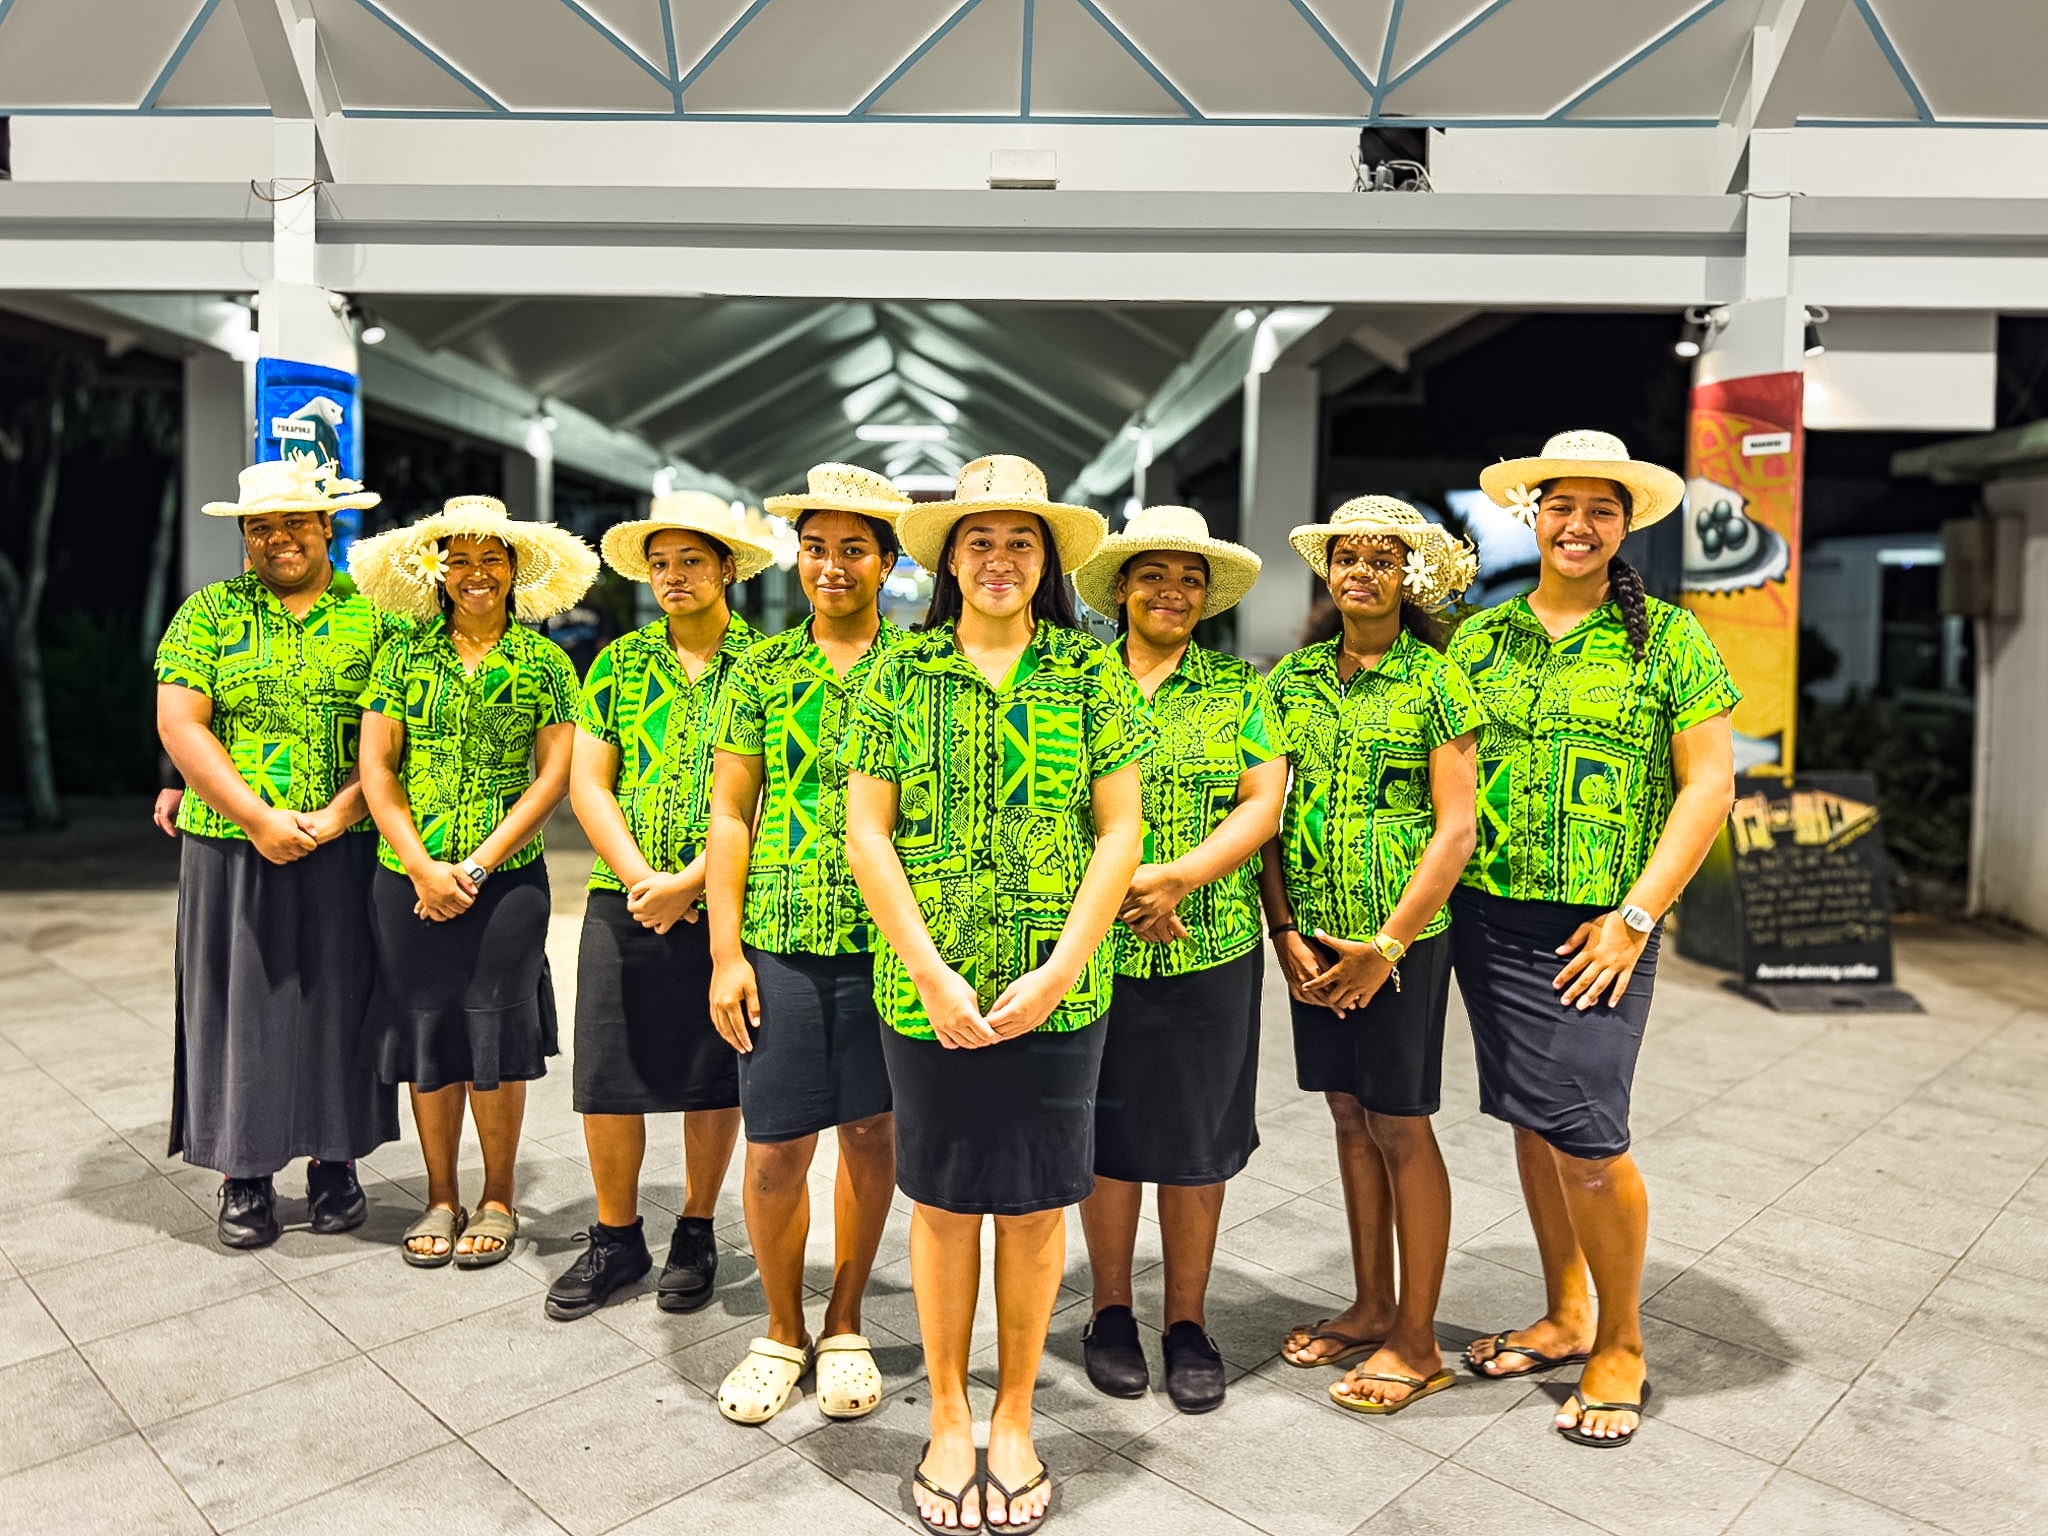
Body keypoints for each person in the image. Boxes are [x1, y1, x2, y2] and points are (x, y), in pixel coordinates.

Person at [842, 455, 1152, 1534]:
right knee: (937, 1204)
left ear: (1047, 558)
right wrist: (927, 969)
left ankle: (1013, 1417)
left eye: (1019, 541)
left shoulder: (1089, 674)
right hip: (923, 986)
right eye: (978, 540)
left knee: (1029, 1206)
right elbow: (866, 832)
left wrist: (1064, 963)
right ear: (948, 558)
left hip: (1058, 989)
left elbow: (1119, 828)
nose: (999, 559)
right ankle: (944, 1413)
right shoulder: (898, 671)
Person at [1451, 431, 1739, 1448]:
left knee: (1585, 1136)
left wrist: (1635, 917)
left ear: (1624, 525)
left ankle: (1619, 1340)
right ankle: (1565, 1311)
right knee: (1534, 1121)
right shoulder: (1478, 640)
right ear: (1530, 514)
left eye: (1599, 510)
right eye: (1559, 505)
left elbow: (1709, 784)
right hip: (1489, 916)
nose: (1577, 525)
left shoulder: (1668, 638)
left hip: (1601, 925)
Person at [1259, 497, 1483, 1417]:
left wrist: (1386, 947)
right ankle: (1372, 1302)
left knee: (1399, 1124)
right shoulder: (1293, 683)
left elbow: (1457, 828)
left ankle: (1420, 1341)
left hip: (1401, 943)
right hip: (1314, 940)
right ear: (1328, 572)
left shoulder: (1439, 681)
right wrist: (1283, 932)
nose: (1361, 572)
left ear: (1406, 574)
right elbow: (1265, 819)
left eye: (1381, 559)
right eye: (1346, 557)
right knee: (1349, 1116)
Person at [704, 464, 912, 1423]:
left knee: (873, 1132)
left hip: (889, 942)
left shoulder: (921, 668)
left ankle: (845, 1319)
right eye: (816, 547)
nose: (832, 566)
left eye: (854, 548)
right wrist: (724, 951)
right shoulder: (762, 668)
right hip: (780, 938)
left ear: (888, 560)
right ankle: (779, 1329)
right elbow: (732, 812)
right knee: (777, 1143)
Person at [1068, 506, 1286, 1415]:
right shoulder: (1073, 682)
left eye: (1190, 579)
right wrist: (1126, 891)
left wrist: (1180, 879)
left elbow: (1261, 803)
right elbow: (1041, 801)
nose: (1172, 592)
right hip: (1090, 942)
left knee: (1198, 1143)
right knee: (1110, 1137)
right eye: (1153, 574)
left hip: (1213, 944)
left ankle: (1187, 1321)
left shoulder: (1240, 689)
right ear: (1121, 588)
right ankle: (1110, 1313)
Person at [154, 458, 399, 1249]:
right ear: (244, 535)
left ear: (329, 526)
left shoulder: (380, 617)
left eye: (296, 522)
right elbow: (182, 724)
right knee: (238, 1003)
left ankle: (335, 1163)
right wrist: (257, 816)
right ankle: (244, 1172)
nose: (279, 538)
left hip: (350, 840)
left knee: (341, 999)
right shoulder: (208, 615)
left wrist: (337, 813)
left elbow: (399, 737)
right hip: (230, 842)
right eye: (262, 526)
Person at [540, 492, 774, 1320]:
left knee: (715, 1073)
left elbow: (767, 797)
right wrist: (645, 877)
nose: (673, 577)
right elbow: (588, 781)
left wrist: (692, 884)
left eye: (692, 562)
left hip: (728, 903)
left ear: (727, 570)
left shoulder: (769, 667)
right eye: (661, 564)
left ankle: (698, 1230)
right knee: (607, 1075)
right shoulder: (618, 663)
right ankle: (615, 1236)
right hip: (624, 897)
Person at [349, 496, 597, 1268]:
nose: (475, 573)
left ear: (516, 568)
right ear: (438, 569)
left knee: (492, 1033)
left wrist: (480, 863)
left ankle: (496, 1198)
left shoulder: (546, 663)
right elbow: (377, 770)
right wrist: (422, 865)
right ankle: (439, 1196)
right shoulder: (401, 658)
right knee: (429, 1033)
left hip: (509, 881)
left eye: (492, 559)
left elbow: (553, 775)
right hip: (406, 877)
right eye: (459, 559)